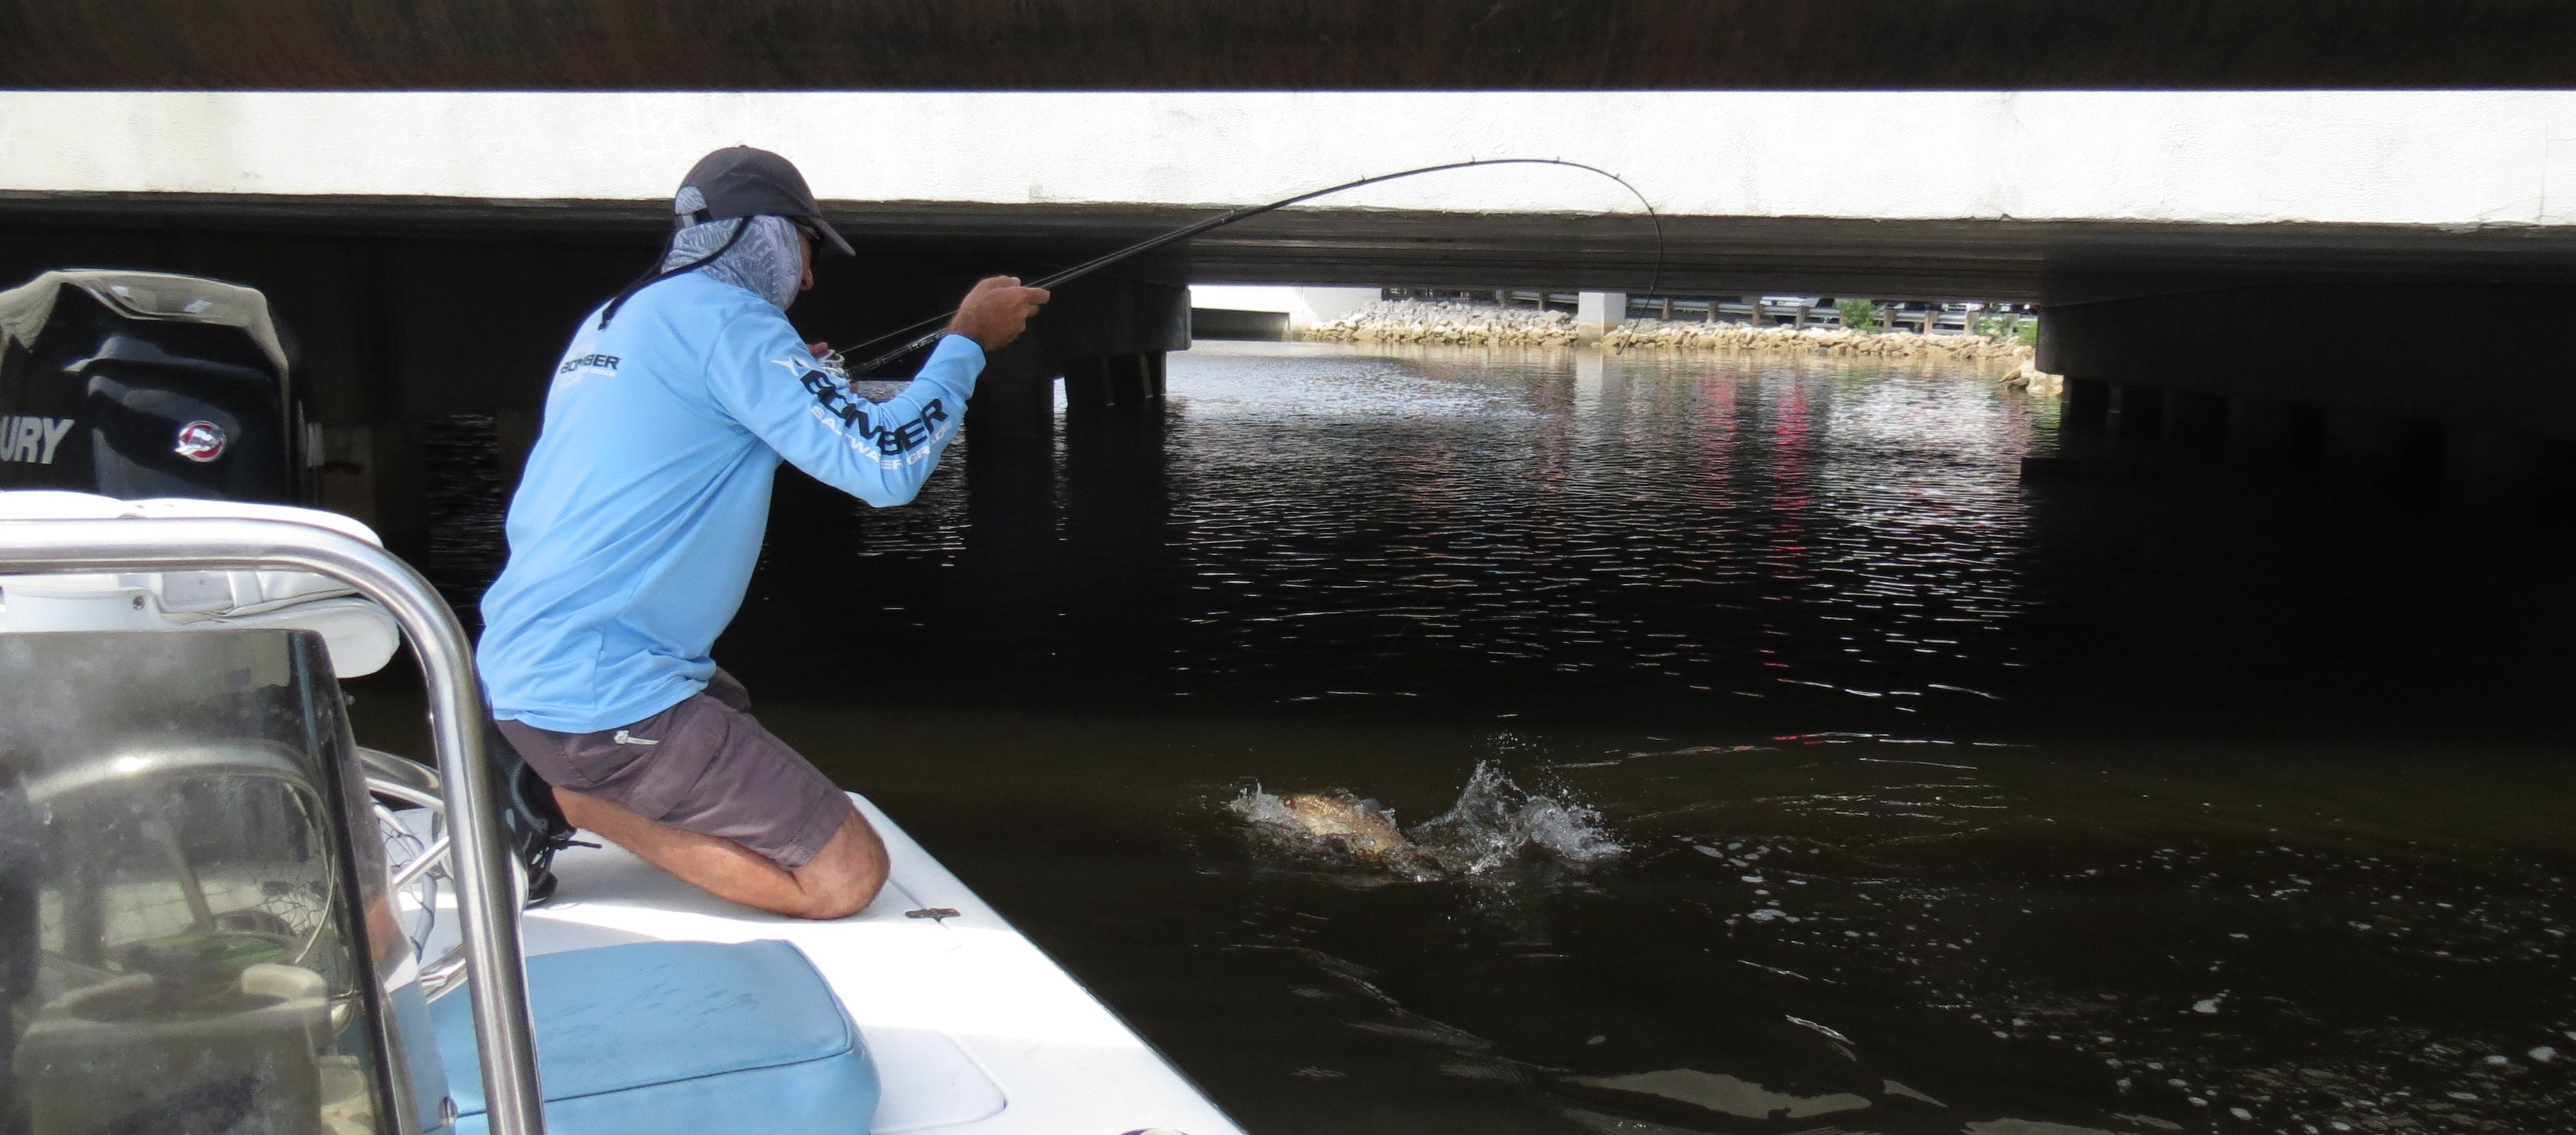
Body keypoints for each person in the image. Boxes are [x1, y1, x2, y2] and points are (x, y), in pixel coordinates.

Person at [476, 146, 1046, 919]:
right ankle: (554, 795)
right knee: (845, 877)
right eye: (807, 246)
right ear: (761, 232)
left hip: (531, 659)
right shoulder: (730, 321)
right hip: (599, 693)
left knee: (735, 720)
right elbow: (888, 465)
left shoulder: (621, 316)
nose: (808, 277)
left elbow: (687, 427)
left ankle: (550, 764)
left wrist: (792, 381)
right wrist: (967, 344)